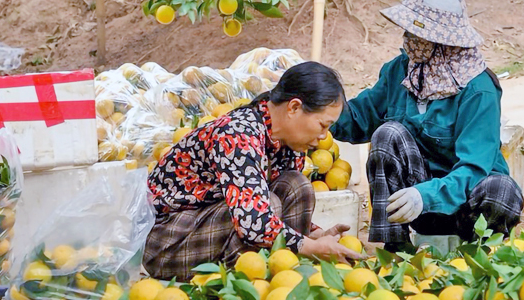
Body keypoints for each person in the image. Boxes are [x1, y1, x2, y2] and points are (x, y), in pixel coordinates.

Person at [332, 0, 524, 253]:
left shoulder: (478, 89)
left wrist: (425, 195)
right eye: (409, 31)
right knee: (387, 134)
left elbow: (474, 168)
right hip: (412, 205)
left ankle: (480, 253)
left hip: (467, 205)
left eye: (417, 34)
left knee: (502, 192)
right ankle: (396, 249)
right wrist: (319, 106)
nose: (408, 38)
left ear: (443, 42)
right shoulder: (401, 71)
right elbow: (360, 118)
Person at [144, 62, 367, 280]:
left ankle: (280, 276)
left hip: (211, 227)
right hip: (168, 244)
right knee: (268, 205)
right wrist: (311, 247)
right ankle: (245, 280)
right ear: (294, 108)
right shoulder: (237, 134)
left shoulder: (288, 144)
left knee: (296, 185)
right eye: (322, 125)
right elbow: (253, 221)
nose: (324, 136)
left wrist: (316, 235)